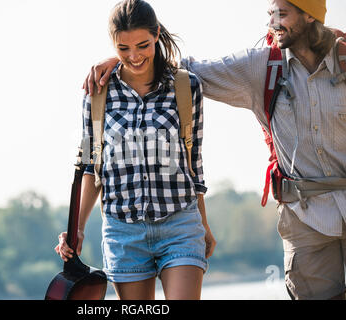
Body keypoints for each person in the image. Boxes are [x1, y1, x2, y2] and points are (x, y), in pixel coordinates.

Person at [83, 0, 346, 300]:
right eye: (270, 13)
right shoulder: (260, 67)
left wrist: (128, 56)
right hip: (306, 219)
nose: (272, 22)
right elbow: (185, 72)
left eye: (282, 14)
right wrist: (123, 61)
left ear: (310, 16)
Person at [55, 0, 216, 300]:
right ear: (113, 45)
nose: (134, 56)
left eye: (142, 45)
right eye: (123, 49)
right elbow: (91, 167)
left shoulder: (186, 86)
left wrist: (203, 223)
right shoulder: (96, 94)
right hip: (123, 233)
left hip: (180, 224)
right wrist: (77, 229)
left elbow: (194, 163)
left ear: (156, 35)